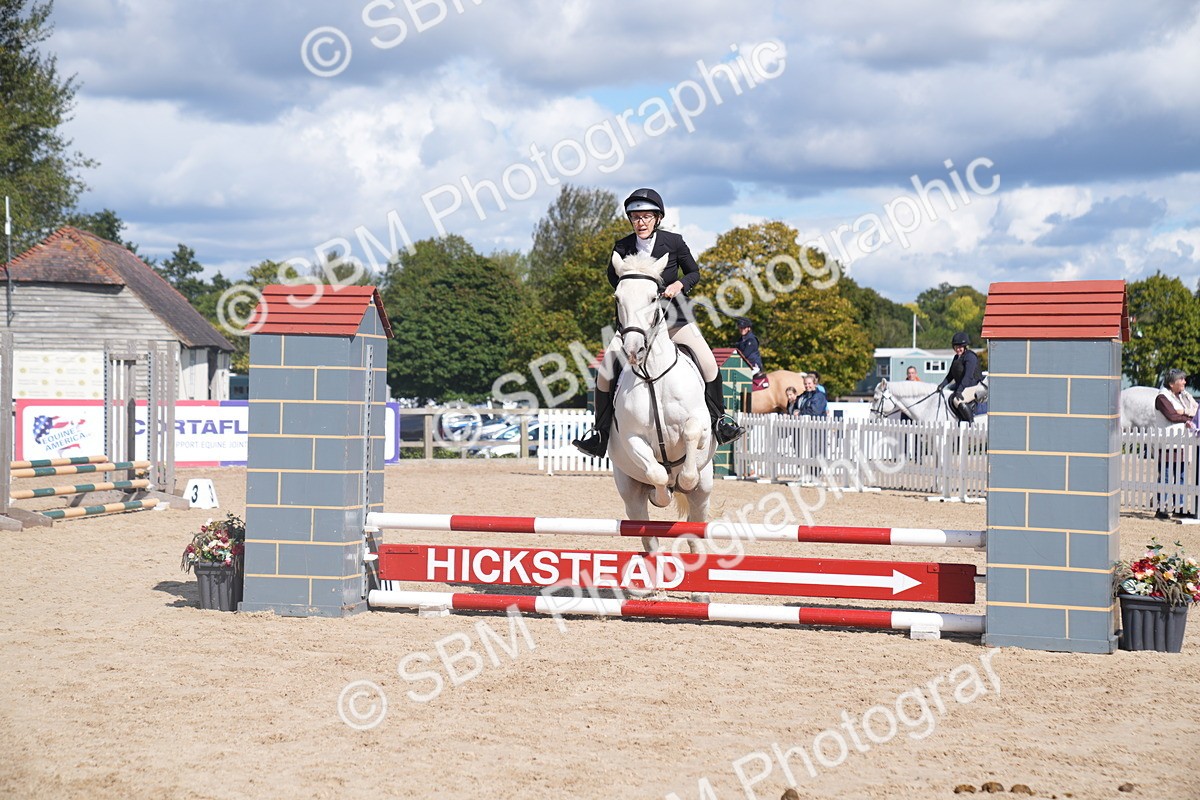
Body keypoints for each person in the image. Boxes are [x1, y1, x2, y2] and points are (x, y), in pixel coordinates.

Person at [572, 188, 746, 457]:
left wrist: (678, 284)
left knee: (709, 362)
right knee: (604, 374)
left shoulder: (673, 242)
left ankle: (721, 420)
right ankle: (600, 433)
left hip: (673, 319)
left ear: (657, 218)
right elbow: (614, 279)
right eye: (635, 217)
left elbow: (694, 272)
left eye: (645, 217)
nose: (640, 222)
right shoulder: (622, 246)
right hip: (635, 326)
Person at [1154, 368, 1197, 519]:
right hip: (1167, 443)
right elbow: (1171, 415)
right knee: (1165, 476)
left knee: (1181, 476)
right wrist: (1187, 417)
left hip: (1181, 442)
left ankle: (1180, 507)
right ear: (1172, 383)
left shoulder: (1181, 397)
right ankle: (1161, 508)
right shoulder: (1161, 398)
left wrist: (1183, 412)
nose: (1184, 382)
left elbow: (1194, 409)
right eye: (1181, 379)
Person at [938, 331, 984, 423]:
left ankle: (971, 423)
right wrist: (942, 385)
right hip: (964, 387)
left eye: (960, 347)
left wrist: (959, 390)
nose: (957, 349)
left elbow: (968, 376)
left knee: (958, 401)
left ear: (965, 346)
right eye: (956, 347)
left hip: (975, 386)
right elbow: (950, 375)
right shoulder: (956, 358)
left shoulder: (970, 357)